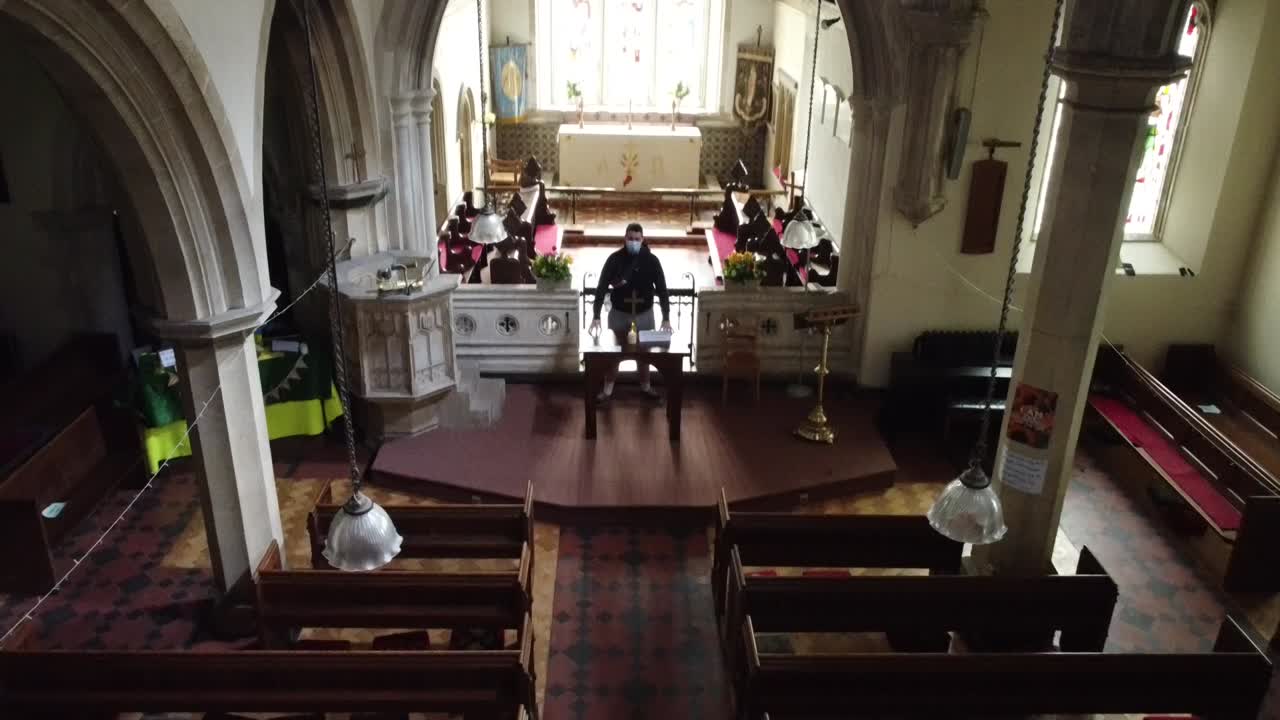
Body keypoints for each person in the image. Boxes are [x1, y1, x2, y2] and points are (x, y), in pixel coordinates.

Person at [589, 223, 672, 403]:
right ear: (624, 239)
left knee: (645, 355)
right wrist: (596, 315)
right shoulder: (614, 259)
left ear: (642, 240)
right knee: (614, 354)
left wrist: (666, 318)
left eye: (637, 239)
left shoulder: (651, 261)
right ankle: (608, 389)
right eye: (630, 239)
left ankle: (645, 386)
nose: (633, 242)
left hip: (644, 315)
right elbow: (602, 287)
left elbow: (663, 290)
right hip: (619, 314)